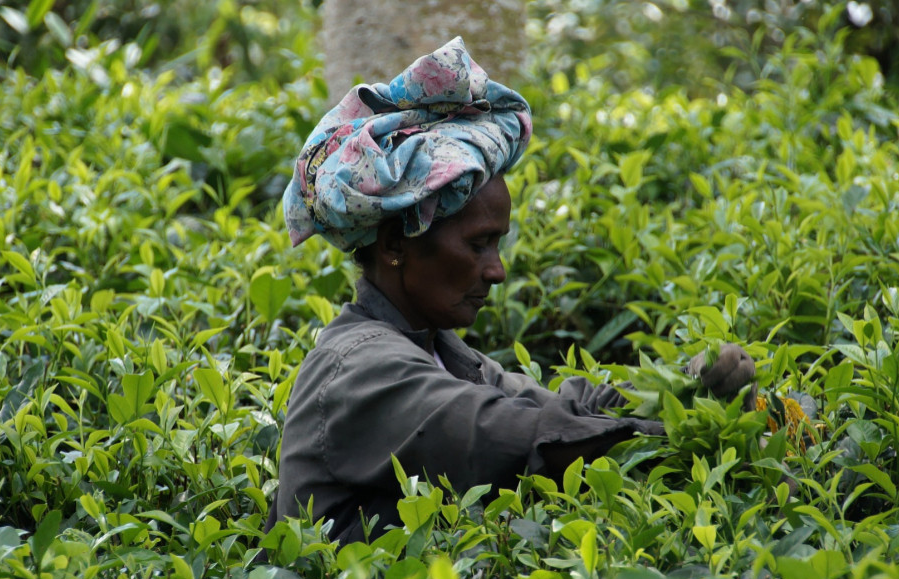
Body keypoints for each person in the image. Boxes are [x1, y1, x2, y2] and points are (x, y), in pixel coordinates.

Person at [264, 38, 755, 545]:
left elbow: (562, 405)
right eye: (478, 245)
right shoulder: (359, 369)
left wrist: (686, 386)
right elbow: (514, 435)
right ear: (394, 244)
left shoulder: (439, 353)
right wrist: (669, 431)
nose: (496, 272)